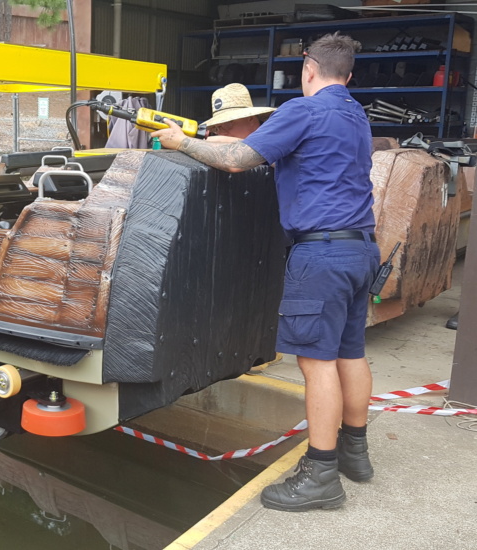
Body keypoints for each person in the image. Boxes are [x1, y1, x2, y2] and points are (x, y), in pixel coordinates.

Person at [153, 32, 380, 512]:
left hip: (320, 254)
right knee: (350, 353)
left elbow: (236, 159)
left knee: (316, 363)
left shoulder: (303, 110)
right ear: (349, 74)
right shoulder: (356, 115)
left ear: (308, 69)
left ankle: (321, 474)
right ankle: (354, 455)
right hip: (361, 249)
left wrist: (181, 141)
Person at [202, 83, 275, 141]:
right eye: (216, 129)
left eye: (227, 124)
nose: (221, 134)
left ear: (250, 118)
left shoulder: (273, 142)